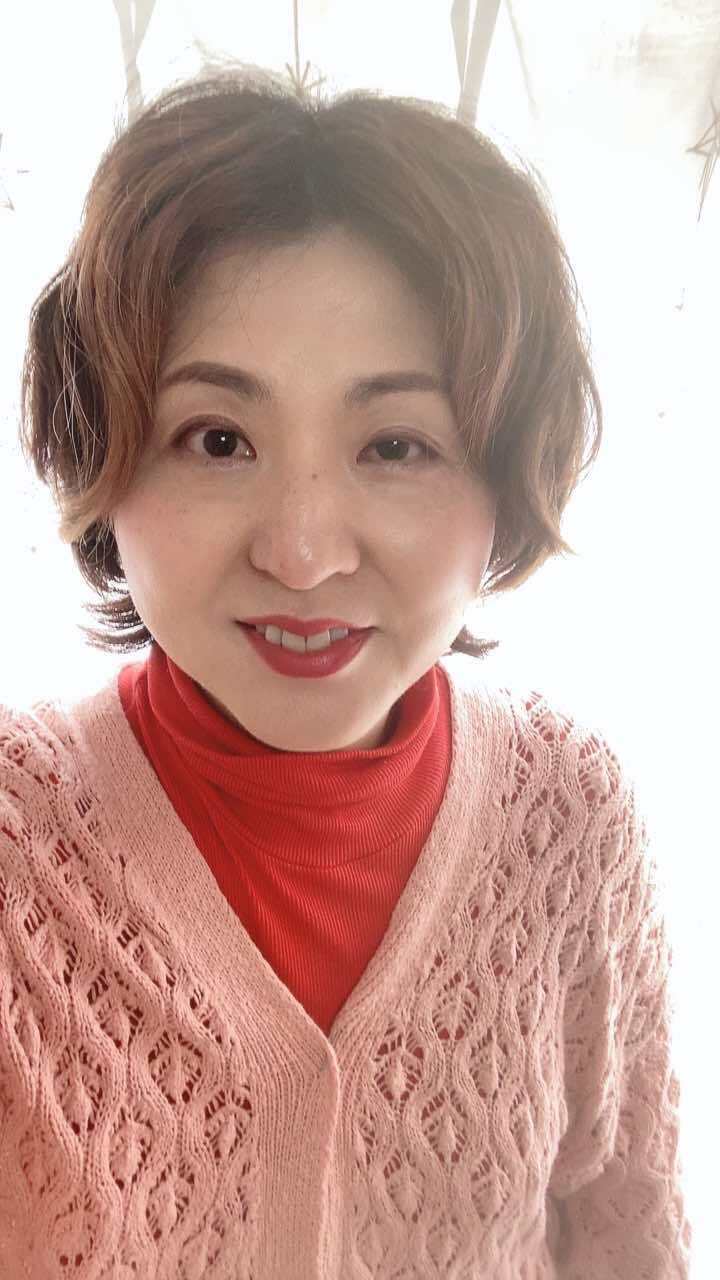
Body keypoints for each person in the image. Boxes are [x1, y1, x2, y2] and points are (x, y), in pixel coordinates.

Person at [0, 64, 691, 1279]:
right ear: (103, 454)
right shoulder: (17, 846)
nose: (304, 553)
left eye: (397, 444)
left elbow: (627, 1235)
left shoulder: (569, 814)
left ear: (505, 473)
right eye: (218, 438)